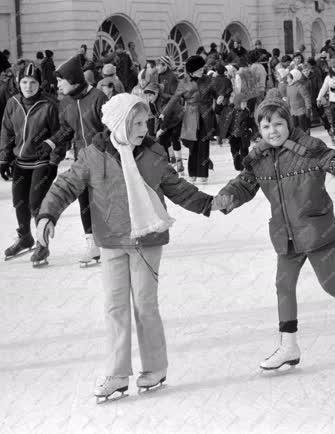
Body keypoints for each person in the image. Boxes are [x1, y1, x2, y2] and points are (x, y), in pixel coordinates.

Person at [35, 93, 220, 402]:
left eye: (145, 122)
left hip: (146, 239)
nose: (143, 129)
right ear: (119, 124)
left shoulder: (154, 153)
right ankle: (118, 374)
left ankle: (155, 367)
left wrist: (209, 204)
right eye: (136, 123)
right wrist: (47, 214)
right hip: (110, 240)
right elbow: (66, 185)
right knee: (114, 307)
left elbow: (177, 189)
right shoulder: (94, 155)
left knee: (144, 305)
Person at [214, 95, 335, 370]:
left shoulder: (309, 150)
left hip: (316, 228)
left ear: (289, 123)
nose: (273, 132)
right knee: (283, 285)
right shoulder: (259, 159)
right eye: (266, 127)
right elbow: (244, 184)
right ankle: (288, 346)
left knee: (329, 282)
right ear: (259, 129)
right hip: (285, 233)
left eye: (278, 124)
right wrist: (225, 197)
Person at [43, 56, 109, 265]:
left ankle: (117, 237)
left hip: (104, 158)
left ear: (72, 79)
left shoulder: (98, 97)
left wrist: (101, 146)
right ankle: (92, 244)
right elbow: (66, 129)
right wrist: (51, 144)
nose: (58, 85)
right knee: (84, 201)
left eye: (61, 80)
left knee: (105, 199)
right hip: (82, 159)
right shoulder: (66, 103)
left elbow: (109, 128)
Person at [0, 63, 61, 265]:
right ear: (18, 82)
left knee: (36, 203)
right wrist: (3, 158)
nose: (28, 86)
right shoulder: (13, 103)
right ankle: (25, 237)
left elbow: (61, 135)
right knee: (19, 202)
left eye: (33, 82)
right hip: (21, 161)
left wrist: (54, 159)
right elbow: (6, 131)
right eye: (24, 82)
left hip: (43, 161)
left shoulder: (49, 105)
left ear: (39, 83)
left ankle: (42, 245)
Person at [160, 55, 218, 184]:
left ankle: (203, 174)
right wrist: (164, 113)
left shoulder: (208, 80)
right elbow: (174, 98)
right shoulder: (184, 82)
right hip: (191, 117)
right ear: (192, 71)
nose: (202, 70)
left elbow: (216, 93)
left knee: (204, 144)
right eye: (199, 69)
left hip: (206, 115)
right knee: (193, 146)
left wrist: (221, 98)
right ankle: (192, 172)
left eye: (202, 68)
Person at [155, 55, 183, 171]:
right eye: (156, 65)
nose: (156, 67)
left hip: (174, 113)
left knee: (174, 138)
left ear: (165, 65)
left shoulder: (171, 77)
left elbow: (175, 96)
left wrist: (162, 94)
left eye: (158, 65)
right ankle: (170, 162)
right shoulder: (159, 76)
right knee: (163, 139)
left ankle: (179, 162)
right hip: (164, 111)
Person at [317, 59, 335, 141]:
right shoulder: (328, 77)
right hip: (332, 101)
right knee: (334, 119)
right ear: (331, 68)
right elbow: (323, 89)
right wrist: (318, 98)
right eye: (333, 67)